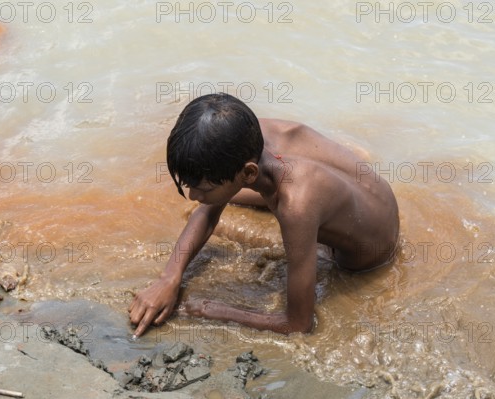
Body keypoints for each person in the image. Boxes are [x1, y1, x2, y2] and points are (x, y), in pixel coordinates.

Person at [129, 93, 399, 336]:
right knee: (210, 205)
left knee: (235, 209)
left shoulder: (296, 206)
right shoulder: (244, 134)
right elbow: (206, 211)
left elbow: (298, 324)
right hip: (373, 193)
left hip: (367, 254)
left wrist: (209, 309)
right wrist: (169, 278)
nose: (193, 195)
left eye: (202, 188)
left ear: (248, 173)